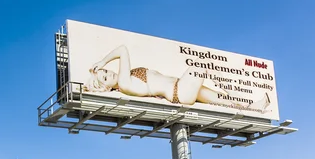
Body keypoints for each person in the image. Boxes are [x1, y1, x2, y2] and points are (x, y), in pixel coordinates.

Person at [84, 45, 271, 113]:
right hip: (179, 91)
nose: (110, 73)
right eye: (105, 77)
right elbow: (122, 49)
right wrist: (102, 61)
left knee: (220, 100)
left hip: (180, 88)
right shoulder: (124, 83)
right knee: (204, 64)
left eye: (106, 71)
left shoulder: (127, 79)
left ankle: (254, 107)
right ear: (107, 88)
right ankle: (241, 96)